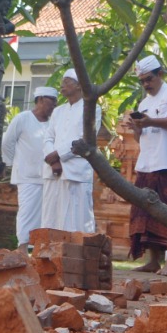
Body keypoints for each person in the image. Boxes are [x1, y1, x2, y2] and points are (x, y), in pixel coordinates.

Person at [123, 55, 167, 275]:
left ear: (160, 74)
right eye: (142, 81)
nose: (146, 84)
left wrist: (151, 121)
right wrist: (134, 125)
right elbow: (140, 137)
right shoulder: (144, 103)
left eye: (149, 79)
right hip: (147, 163)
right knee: (145, 212)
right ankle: (153, 261)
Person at [40, 68, 97, 233]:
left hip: (76, 171)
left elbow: (84, 138)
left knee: (76, 220)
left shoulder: (91, 109)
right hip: (53, 171)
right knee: (51, 217)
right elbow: (48, 137)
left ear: (79, 85)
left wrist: (58, 155)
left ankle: (76, 253)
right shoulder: (58, 111)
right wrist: (53, 161)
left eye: (66, 82)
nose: (62, 85)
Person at [0, 86, 57, 248]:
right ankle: (23, 246)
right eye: (51, 101)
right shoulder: (23, 118)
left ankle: (40, 247)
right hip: (26, 176)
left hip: (49, 176)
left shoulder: (53, 123)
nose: (53, 105)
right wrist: (12, 163)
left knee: (47, 213)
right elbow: (7, 143)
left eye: (55, 102)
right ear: (40, 100)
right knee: (27, 212)